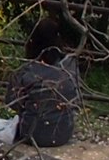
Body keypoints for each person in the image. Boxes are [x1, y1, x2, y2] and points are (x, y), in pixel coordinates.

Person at [5, 15, 81, 148]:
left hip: (33, 135)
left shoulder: (27, 71)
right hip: (63, 132)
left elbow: (11, 101)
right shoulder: (70, 65)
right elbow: (76, 98)